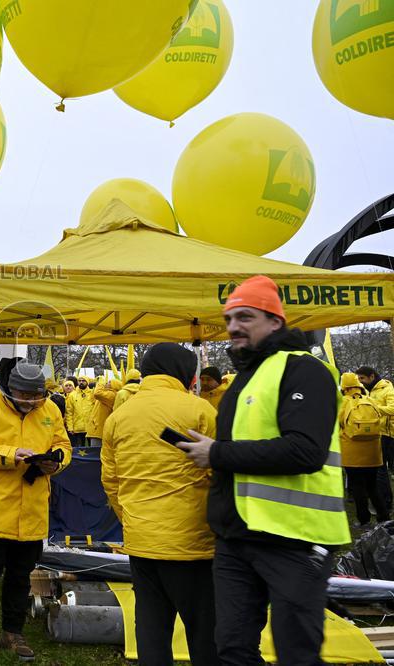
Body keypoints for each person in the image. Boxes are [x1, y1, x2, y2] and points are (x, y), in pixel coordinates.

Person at [176, 275, 349, 665]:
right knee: (233, 648)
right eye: (230, 318)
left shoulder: (304, 370)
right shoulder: (246, 377)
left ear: (275, 321)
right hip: (237, 538)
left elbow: (305, 451)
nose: (234, 326)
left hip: (296, 539)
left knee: (296, 652)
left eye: (246, 317)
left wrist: (216, 454)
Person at [101, 344, 219, 665]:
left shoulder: (119, 415)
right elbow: (219, 471)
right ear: (185, 372)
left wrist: (131, 518)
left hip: (141, 539)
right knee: (205, 632)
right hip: (193, 542)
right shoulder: (201, 411)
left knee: (152, 629)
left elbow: (111, 481)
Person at [0, 360, 71, 665]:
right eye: (25, 396)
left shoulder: (50, 410)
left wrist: (56, 462)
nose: (31, 403)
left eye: (37, 397)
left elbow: (63, 445)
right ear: (9, 389)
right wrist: (9, 455)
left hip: (32, 511)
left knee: (21, 576)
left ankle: (13, 631)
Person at [339, 372, 389, 527]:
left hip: (352, 454)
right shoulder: (370, 400)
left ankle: (364, 520)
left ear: (344, 386)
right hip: (373, 453)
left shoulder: (343, 402)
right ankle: (383, 516)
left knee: (358, 488)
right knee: (372, 486)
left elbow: (337, 423)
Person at [355, 365, 394, 508]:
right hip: (375, 433)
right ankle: (384, 502)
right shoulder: (365, 391)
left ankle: (386, 503)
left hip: (388, 434)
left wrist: (374, 408)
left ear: (372, 376)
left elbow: (393, 408)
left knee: (383, 470)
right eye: (358, 379)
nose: (360, 381)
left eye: (362, 378)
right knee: (379, 469)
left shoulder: (386, 388)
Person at [87, 376, 122, 446]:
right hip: (96, 428)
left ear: (114, 385)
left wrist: (100, 382)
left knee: (96, 453)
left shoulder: (112, 394)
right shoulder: (107, 393)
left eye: (109, 382)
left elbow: (97, 394)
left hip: (99, 430)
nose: (106, 383)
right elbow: (93, 398)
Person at [64, 376, 91, 447]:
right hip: (78, 428)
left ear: (87, 382)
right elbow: (69, 412)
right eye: (79, 381)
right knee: (79, 451)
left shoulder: (92, 394)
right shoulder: (72, 395)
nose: (81, 382)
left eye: (83, 381)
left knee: (92, 450)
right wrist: (70, 427)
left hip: (90, 428)